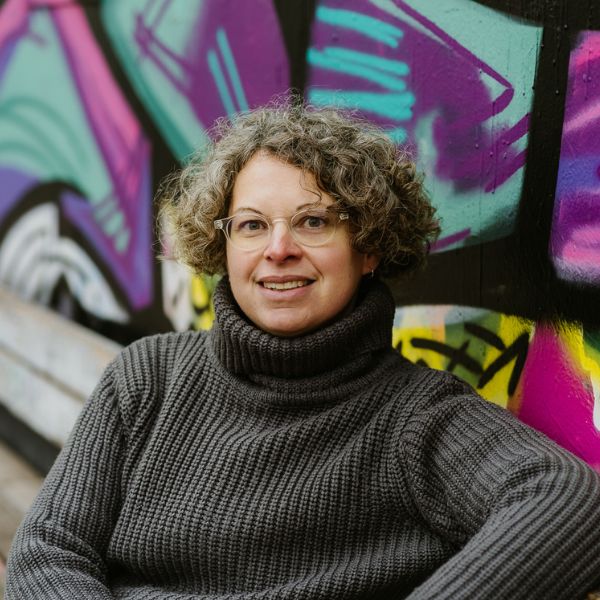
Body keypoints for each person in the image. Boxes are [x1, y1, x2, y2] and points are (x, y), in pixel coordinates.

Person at [6, 103, 600, 599]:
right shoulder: (148, 376)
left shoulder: (415, 418)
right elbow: (50, 548)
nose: (279, 249)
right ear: (222, 245)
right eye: (251, 225)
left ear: (368, 247)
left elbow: (570, 498)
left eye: (314, 222)